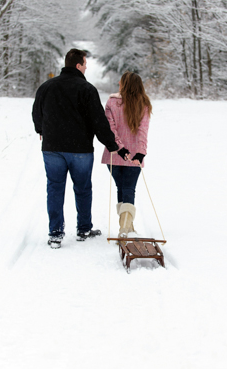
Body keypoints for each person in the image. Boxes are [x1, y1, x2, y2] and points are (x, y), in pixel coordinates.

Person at [32, 48, 130, 249]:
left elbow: (36, 112)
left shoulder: (46, 87)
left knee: (55, 188)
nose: (86, 67)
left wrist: (41, 129)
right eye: (85, 64)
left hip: (52, 148)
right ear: (78, 65)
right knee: (83, 188)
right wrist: (112, 145)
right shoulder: (87, 90)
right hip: (80, 150)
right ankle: (84, 229)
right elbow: (98, 122)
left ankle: (55, 233)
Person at [101, 71, 152, 238]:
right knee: (129, 189)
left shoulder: (112, 103)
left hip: (114, 155)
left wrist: (120, 148)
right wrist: (140, 152)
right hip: (133, 156)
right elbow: (142, 131)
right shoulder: (143, 104)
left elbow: (110, 128)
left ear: (124, 85)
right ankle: (126, 228)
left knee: (121, 188)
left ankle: (126, 228)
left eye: (120, 82)